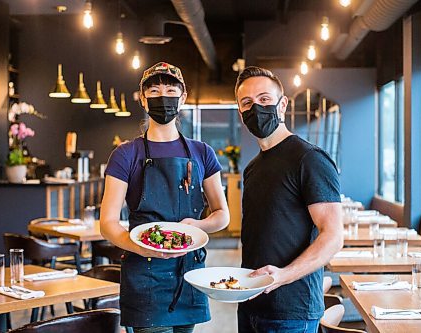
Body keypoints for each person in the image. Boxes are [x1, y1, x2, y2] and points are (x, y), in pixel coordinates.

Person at [100, 62, 230, 333]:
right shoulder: (125, 154)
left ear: (182, 98)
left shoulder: (202, 152)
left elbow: (222, 215)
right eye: (155, 91)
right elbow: (108, 222)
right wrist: (138, 247)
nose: (163, 97)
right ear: (144, 100)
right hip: (144, 273)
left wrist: (198, 226)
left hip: (189, 271)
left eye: (171, 90)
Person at [234, 66, 344, 333]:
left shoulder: (309, 159)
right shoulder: (252, 168)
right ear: (240, 113)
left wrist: (282, 276)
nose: (255, 108)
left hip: (292, 311)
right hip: (250, 302)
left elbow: (333, 237)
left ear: (282, 105)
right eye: (247, 103)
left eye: (264, 99)